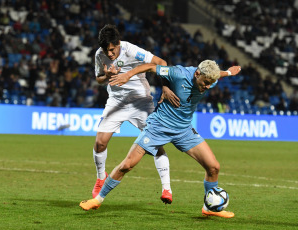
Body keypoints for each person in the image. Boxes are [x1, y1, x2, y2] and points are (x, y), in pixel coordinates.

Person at [80, 60, 241, 218]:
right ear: (197, 74)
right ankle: (97, 199)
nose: (207, 87)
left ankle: (209, 207)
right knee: (127, 165)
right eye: (205, 82)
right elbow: (151, 67)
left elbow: (216, 75)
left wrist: (228, 72)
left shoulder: (209, 78)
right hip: (158, 127)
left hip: (184, 129)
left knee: (213, 168)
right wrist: (127, 75)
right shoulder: (178, 73)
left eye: (210, 83)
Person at [91, 24, 180, 204]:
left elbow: (161, 62)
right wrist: (107, 76)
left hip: (141, 101)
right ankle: (101, 178)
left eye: (111, 50)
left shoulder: (131, 50)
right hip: (116, 101)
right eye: (105, 50)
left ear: (118, 44)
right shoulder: (99, 54)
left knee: (155, 145)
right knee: (100, 142)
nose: (109, 54)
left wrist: (164, 86)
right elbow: (99, 79)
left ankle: (167, 188)